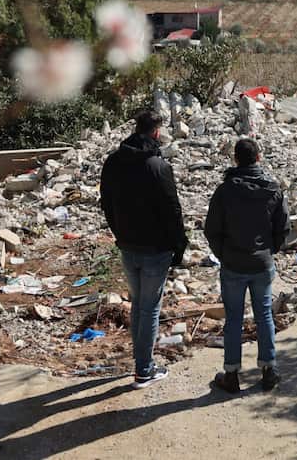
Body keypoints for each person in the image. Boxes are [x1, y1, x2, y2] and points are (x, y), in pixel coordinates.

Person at [100, 110, 187, 388]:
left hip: (127, 245)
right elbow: (173, 211)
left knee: (138, 304)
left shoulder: (113, 162)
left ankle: (141, 363)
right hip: (155, 248)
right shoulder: (158, 166)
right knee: (149, 308)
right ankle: (144, 370)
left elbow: (106, 203)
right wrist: (180, 245)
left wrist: (118, 232)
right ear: (157, 132)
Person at [204, 137, 289, 393]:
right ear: (258, 158)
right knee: (264, 314)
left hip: (233, 264)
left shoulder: (225, 190)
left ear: (236, 159)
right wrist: (268, 250)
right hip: (261, 264)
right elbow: (283, 227)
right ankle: (269, 370)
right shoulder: (273, 189)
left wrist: (223, 253)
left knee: (233, 319)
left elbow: (212, 229)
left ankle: (231, 374)